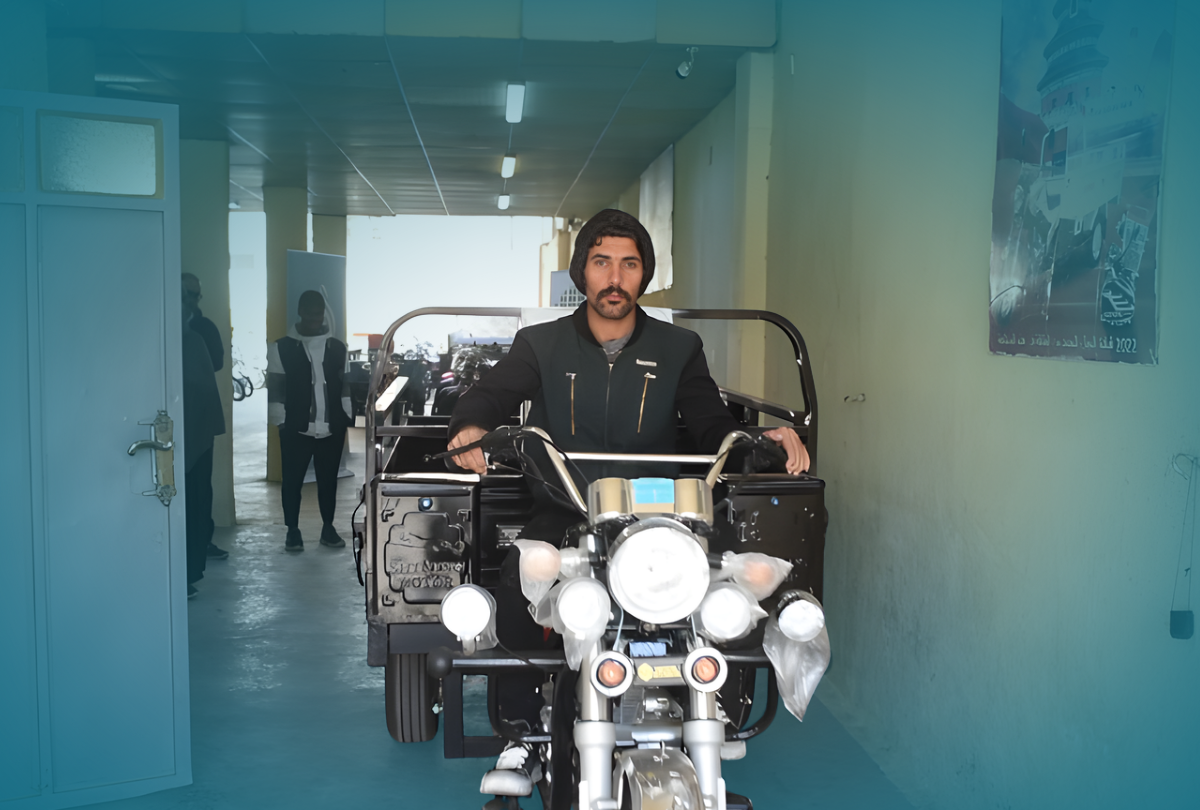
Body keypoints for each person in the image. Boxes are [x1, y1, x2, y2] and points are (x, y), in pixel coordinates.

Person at [445, 208, 808, 803]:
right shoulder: (541, 344)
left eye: (629, 264)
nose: (615, 278)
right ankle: (521, 732)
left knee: (726, 590)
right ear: (582, 272)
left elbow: (711, 421)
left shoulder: (679, 347)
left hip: (659, 517)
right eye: (602, 262)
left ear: (644, 275)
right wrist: (470, 426)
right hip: (566, 508)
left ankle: (716, 705)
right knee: (519, 576)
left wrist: (756, 440)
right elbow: (490, 394)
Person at [266, 290, 351, 552]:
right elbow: (276, 387)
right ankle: (292, 531)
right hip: (295, 428)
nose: (315, 318)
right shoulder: (281, 347)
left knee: (329, 482)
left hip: (332, 427)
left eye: (319, 313)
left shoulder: (338, 347)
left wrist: (346, 418)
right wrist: (281, 423)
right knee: (292, 482)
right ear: (301, 312)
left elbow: (346, 386)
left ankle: (328, 528)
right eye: (311, 313)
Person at [181, 286, 227, 598]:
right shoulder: (164, 337)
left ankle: (191, 567)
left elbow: (214, 367)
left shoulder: (198, 334)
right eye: (184, 291)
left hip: (197, 430)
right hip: (179, 431)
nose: (189, 296)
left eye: (193, 291)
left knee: (197, 498)